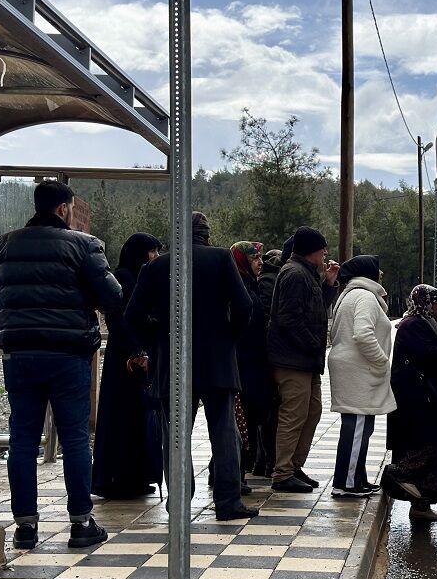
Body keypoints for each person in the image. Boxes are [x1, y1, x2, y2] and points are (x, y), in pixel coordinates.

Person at [0, 181, 123, 551]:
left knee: (22, 439)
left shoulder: (3, 244)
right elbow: (113, 296)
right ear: (62, 209)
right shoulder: (84, 245)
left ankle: (25, 528)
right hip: (68, 354)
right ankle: (81, 524)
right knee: (74, 438)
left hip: (19, 355)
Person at [128, 212, 257, 521]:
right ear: (206, 234)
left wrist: (157, 341)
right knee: (224, 433)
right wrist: (229, 338)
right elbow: (244, 305)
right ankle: (228, 502)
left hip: (171, 363)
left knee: (175, 437)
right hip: (216, 362)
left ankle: (180, 503)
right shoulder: (221, 259)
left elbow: (132, 316)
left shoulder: (157, 266)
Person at [383, 284, 437, 522]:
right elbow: (426, 353)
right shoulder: (413, 325)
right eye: (435, 301)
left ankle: (421, 504)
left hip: (426, 396)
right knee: (435, 440)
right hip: (415, 398)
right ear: (424, 302)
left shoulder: (425, 322)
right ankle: (397, 475)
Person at [268, 227, 340, 493]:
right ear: (312, 250)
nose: (325, 254)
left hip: (305, 360)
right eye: (323, 249)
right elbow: (289, 319)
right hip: (292, 360)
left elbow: (315, 307)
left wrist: (329, 284)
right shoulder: (295, 274)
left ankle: (294, 466)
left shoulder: (306, 274)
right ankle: (283, 472)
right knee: (293, 415)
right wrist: (313, 344)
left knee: (312, 411)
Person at [92, 233, 163, 500]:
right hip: (126, 358)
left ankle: (135, 476)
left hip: (134, 356)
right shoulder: (124, 277)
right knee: (123, 418)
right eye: (152, 251)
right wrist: (137, 350)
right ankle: (118, 478)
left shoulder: (138, 277)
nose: (154, 257)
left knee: (137, 418)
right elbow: (120, 319)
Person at [327, 255, 395, 496]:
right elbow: (363, 334)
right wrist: (381, 360)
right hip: (359, 370)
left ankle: (357, 477)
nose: (381, 274)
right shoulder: (365, 296)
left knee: (360, 428)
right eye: (378, 269)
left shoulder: (352, 294)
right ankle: (347, 484)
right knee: (356, 428)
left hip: (354, 369)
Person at [231, 241, 278, 480]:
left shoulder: (250, 283)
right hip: (243, 363)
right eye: (254, 258)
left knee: (250, 418)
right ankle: (230, 473)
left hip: (254, 362)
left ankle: (237, 473)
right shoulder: (236, 286)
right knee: (242, 421)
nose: (260, 263)